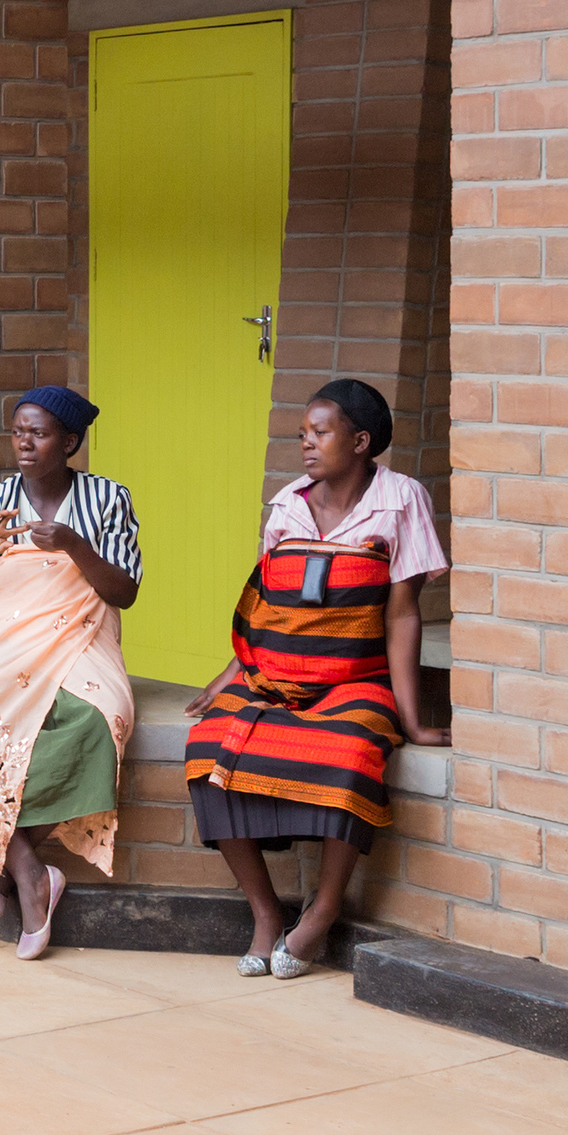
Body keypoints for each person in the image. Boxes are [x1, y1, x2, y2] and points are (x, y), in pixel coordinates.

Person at [183, 377, 449, 979]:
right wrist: (234, 670)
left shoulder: (401, 499)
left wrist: (411, 721)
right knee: (206, 748)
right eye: (303, 432)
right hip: (275, 674)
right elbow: (267, 602)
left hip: (355, 679)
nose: (305, 443)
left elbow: (403, 613)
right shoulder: (288, 504)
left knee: (352, 754)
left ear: (360, 441)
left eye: (320, 432)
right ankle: (265, 913)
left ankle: (323, 911)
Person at [0, 388, 142, 959]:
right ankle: (30, 873)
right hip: (5, 645)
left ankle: (2, 867)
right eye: (18, 432)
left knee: (97, 720)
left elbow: (125, 591)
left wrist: (74, 545)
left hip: (81, 639)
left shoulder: (107, 498)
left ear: (69, 442)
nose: (24, 443)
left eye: (38, 434)